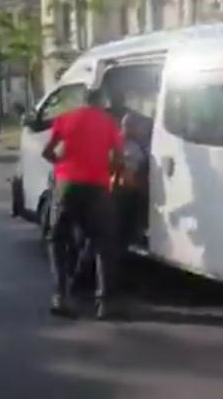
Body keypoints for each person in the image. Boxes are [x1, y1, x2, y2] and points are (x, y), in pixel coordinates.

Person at [42, 89, 124, 319]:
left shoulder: (65, 118)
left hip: (66, 185)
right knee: (103, 243)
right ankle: (104, 303)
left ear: (83, 102)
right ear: (101, 103)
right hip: (97, 188)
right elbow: (118, 156)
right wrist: (109, 173)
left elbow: (47, 152)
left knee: (57, 239)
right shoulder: (109, 123)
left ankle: (60, 297)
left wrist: (61, 165)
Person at [115, 112, 152, 247]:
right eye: (127, 126)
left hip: (132, 186)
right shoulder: (120, 142)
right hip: (122, 188)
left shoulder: (138, 143)